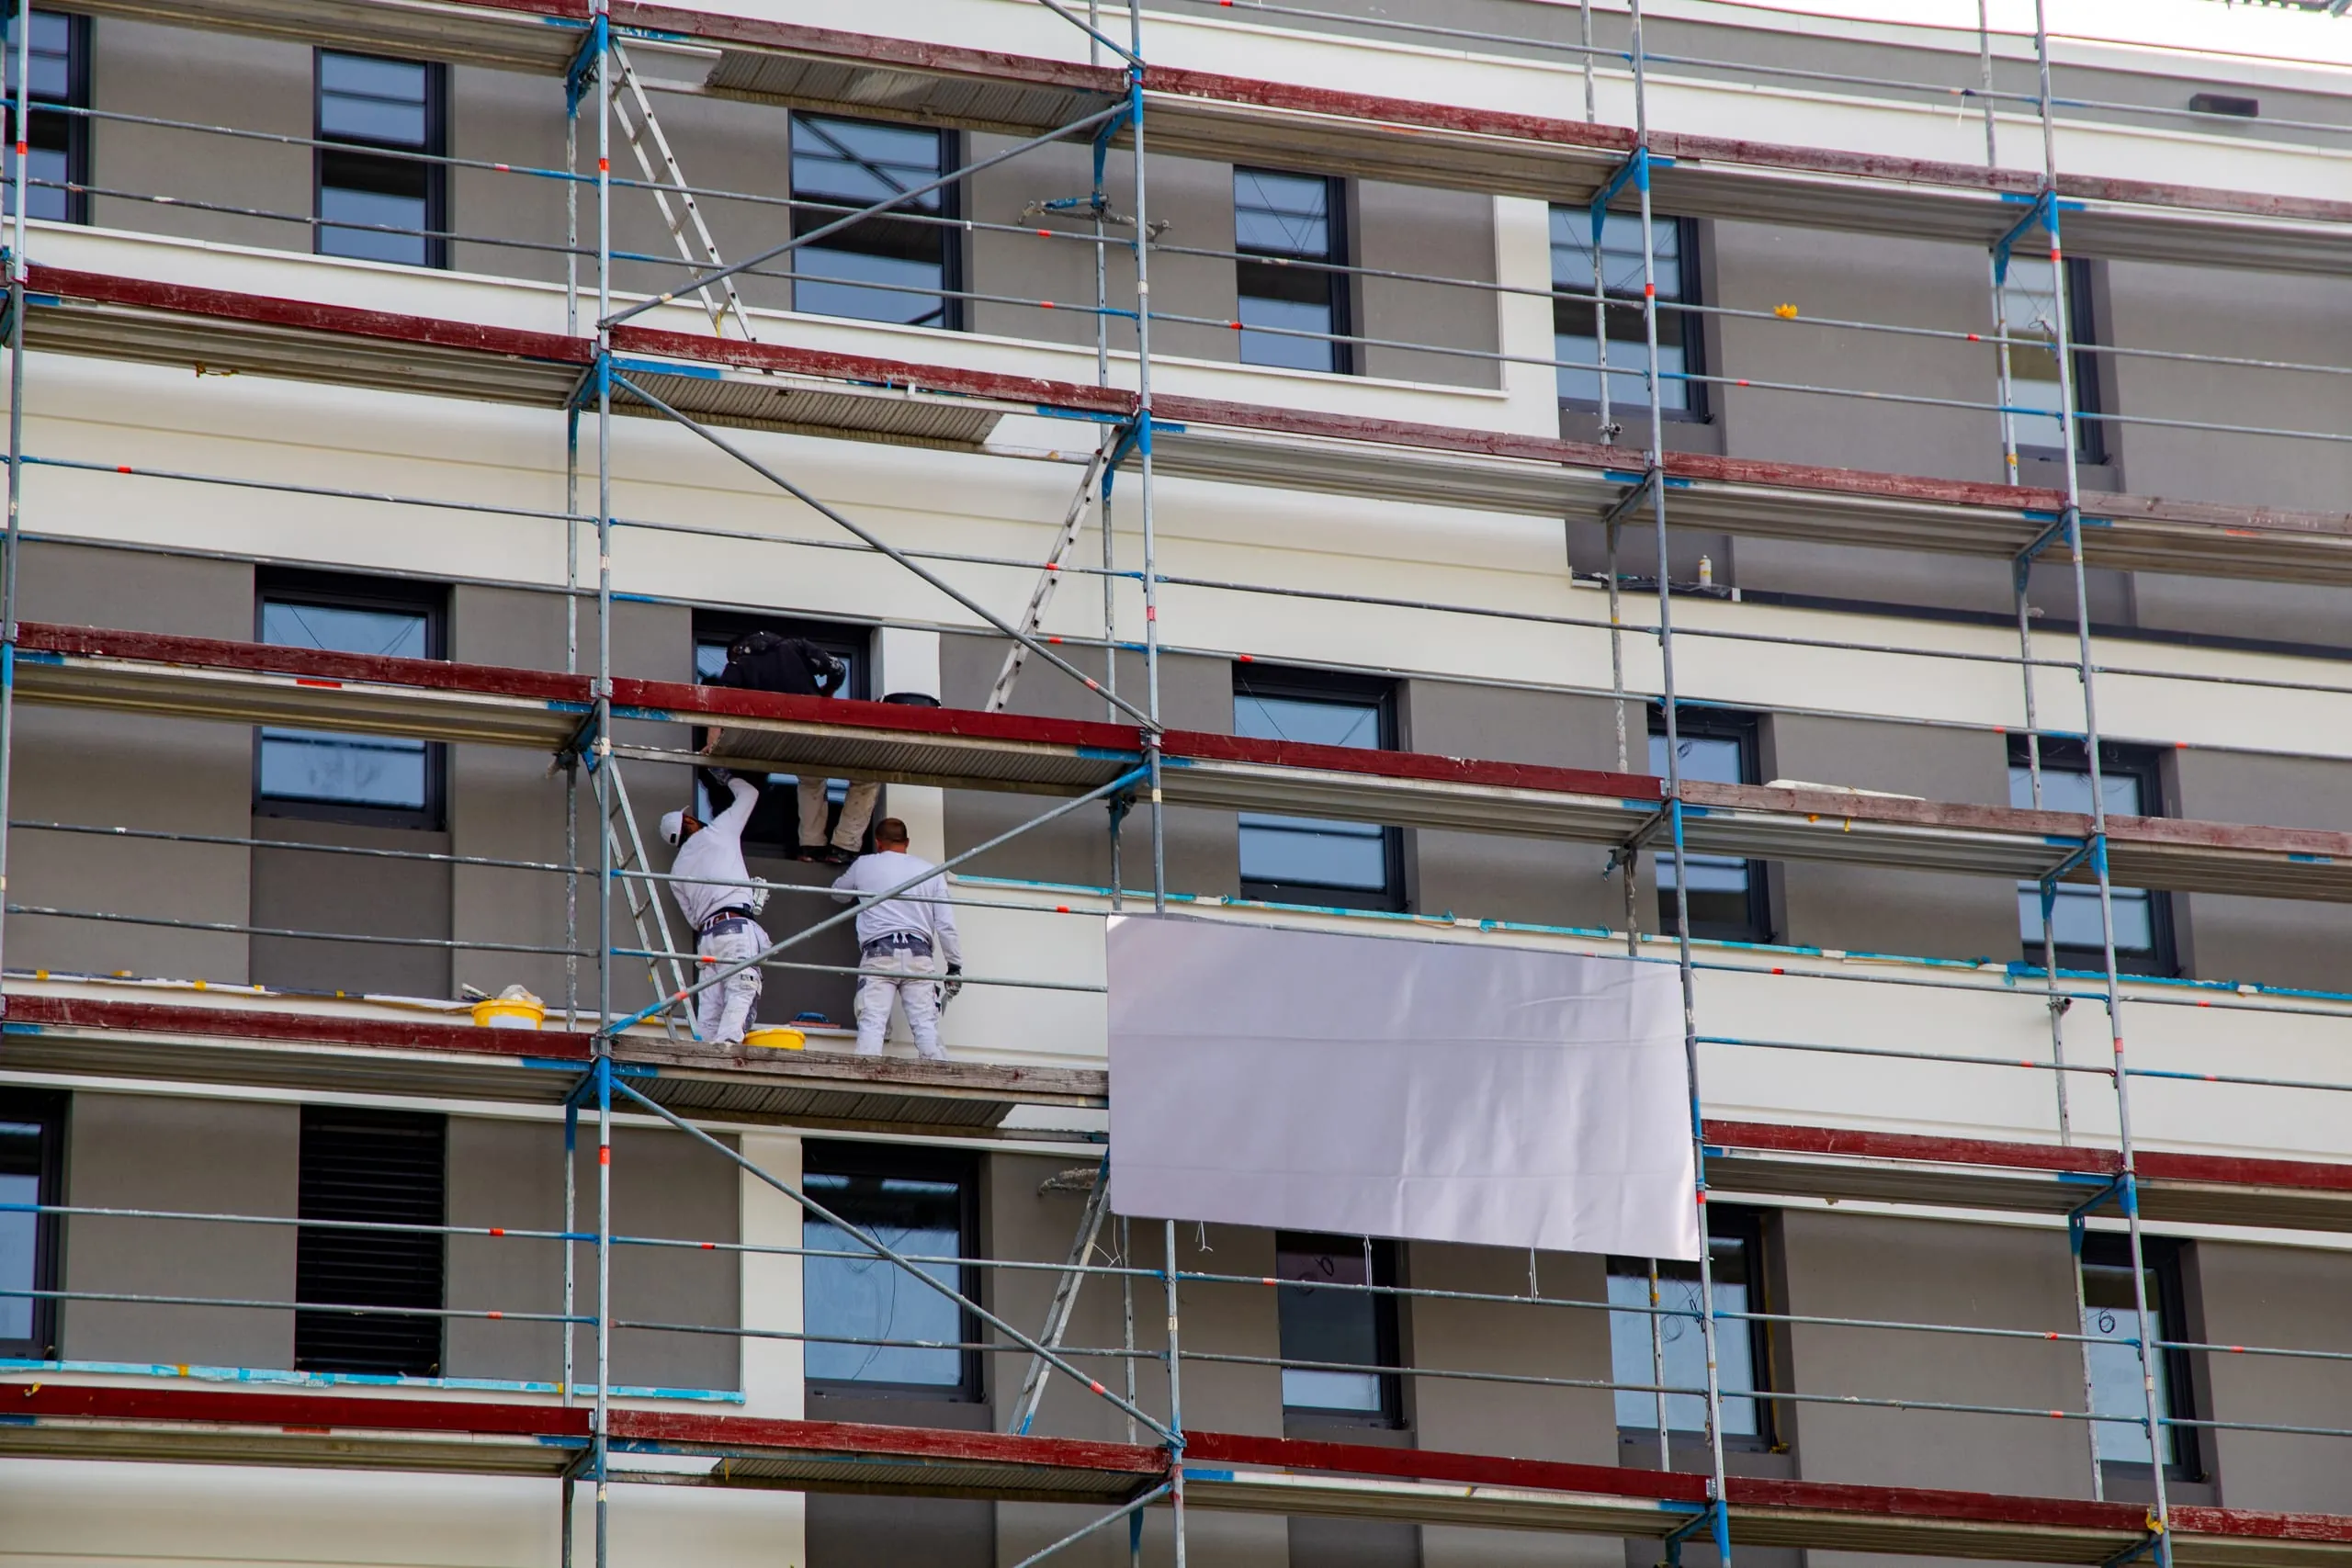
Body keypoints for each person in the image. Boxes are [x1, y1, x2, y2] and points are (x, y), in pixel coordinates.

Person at [703, 629, 876, 865]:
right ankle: (844, 847)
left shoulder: (739, 663)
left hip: (778, 739)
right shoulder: (795, 646)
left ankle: (811, 846)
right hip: (814, 728)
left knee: (811, 779)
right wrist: (826, 695)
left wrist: (712, 742)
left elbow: (719, 699)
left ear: (736, 649)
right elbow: (837, 669)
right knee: (866, 777)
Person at [830, 818, 963, 1060]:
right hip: (919, 954)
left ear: (878, 843)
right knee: (925, 1025)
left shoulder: (865, 864)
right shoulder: (930, 871)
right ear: (907, 842)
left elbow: (838, 893)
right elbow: (946, 925)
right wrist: (954, 965)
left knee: (872, 1022)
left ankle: (865, 1078)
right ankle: (939, 1076)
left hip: (879, 952)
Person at [659, 770, 767, 1047]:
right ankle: (728, 1047)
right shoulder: (719, 832)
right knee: (742, 989)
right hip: (735, 928)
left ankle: (706, 1054)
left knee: (710, 1008)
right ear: (690, 823)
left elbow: (694, 919)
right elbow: (750, 794)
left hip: (708, 938)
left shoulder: (676, 871)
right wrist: (727, 777)